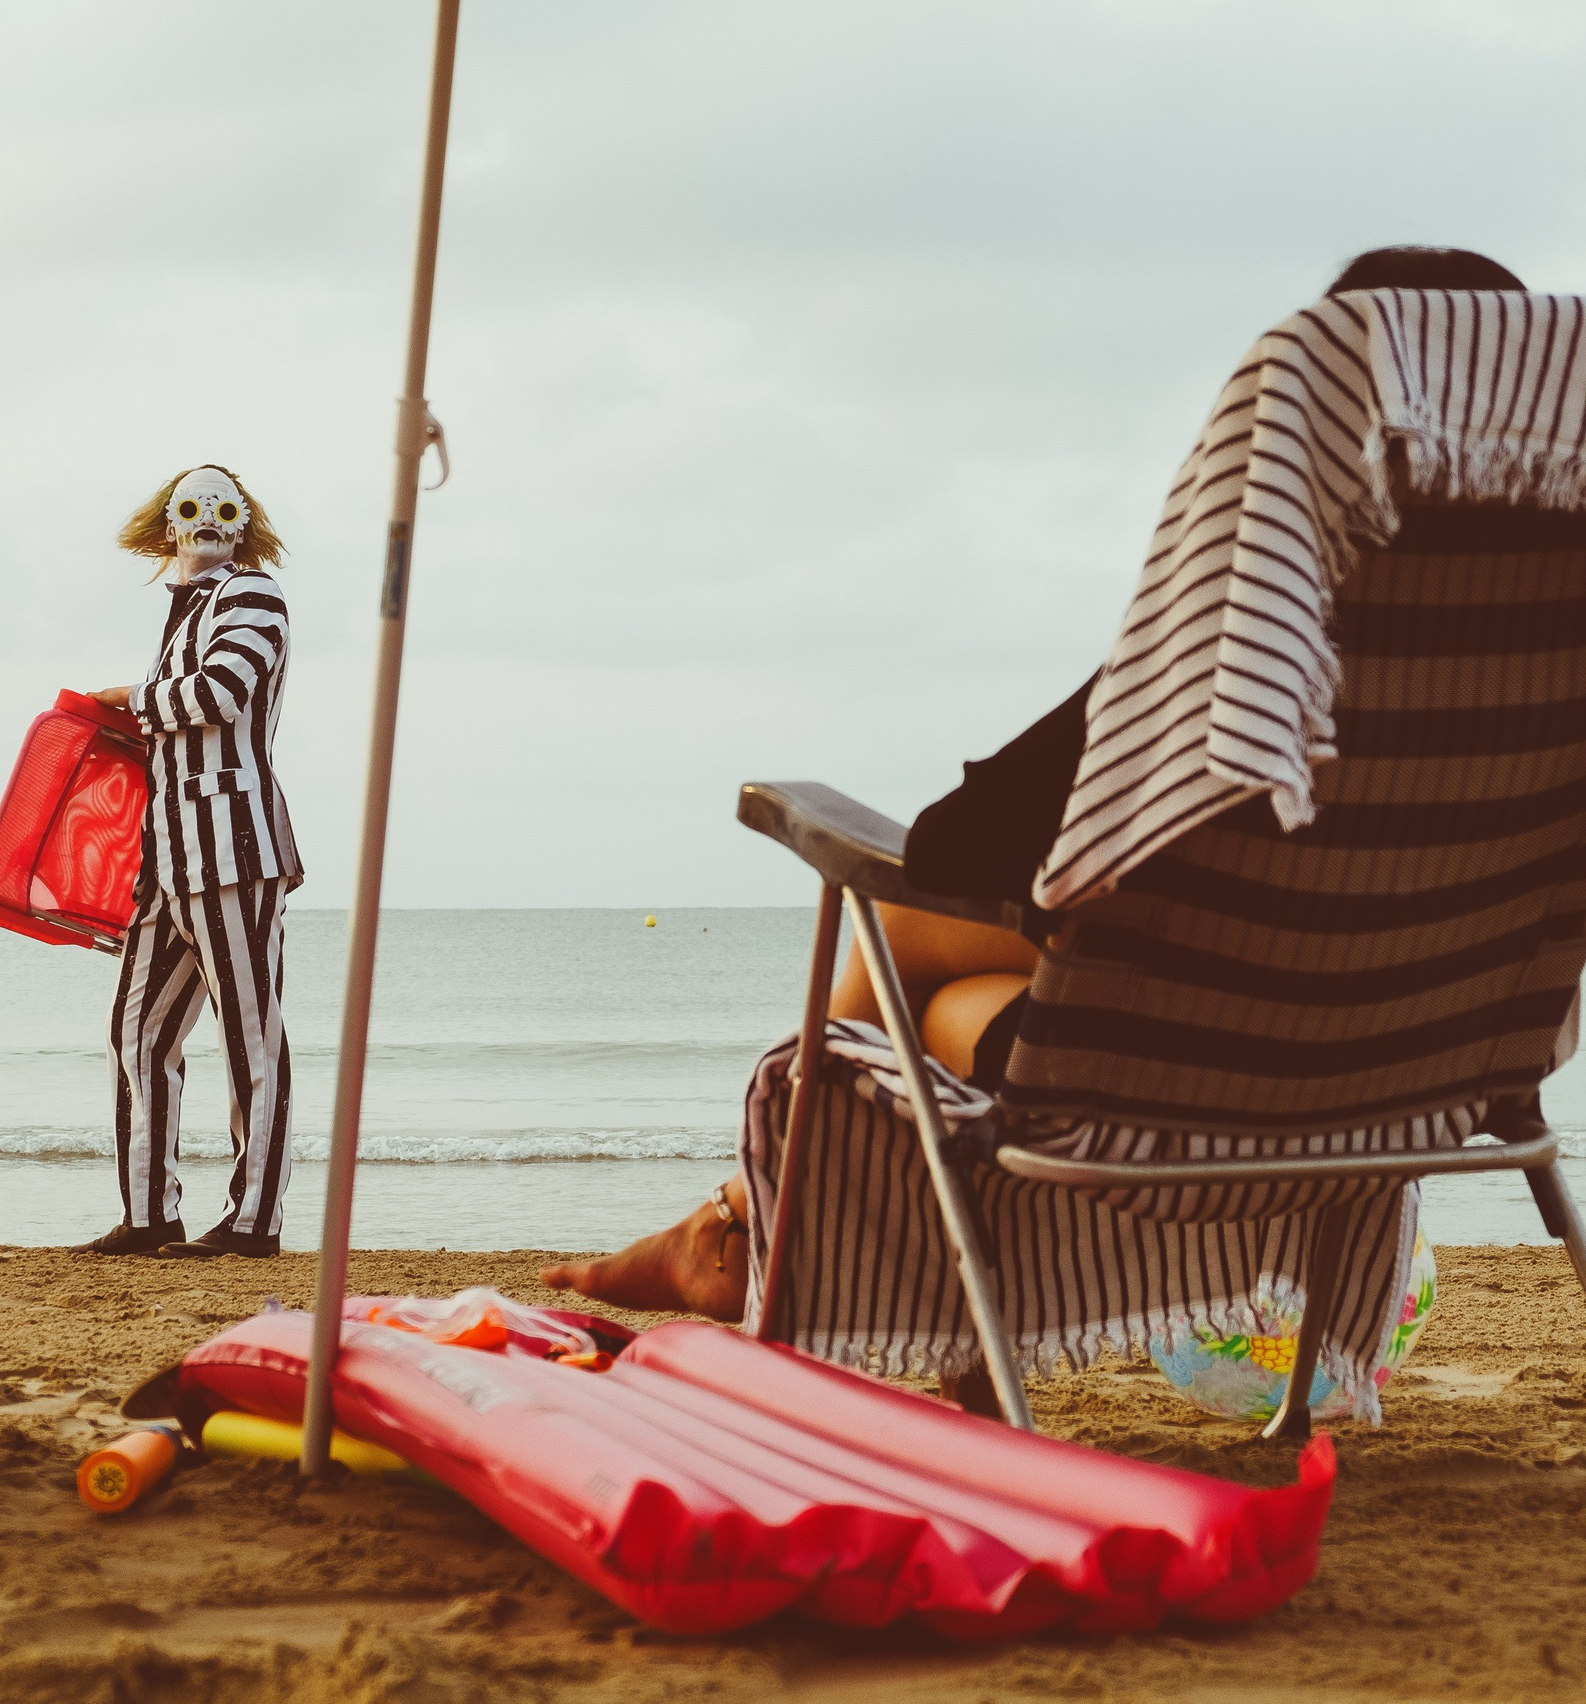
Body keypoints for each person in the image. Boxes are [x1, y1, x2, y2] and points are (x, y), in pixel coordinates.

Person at [542, 244, 1535, 1332]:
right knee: (957, 988)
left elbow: (960, 841)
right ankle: (743, 1244)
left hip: (1185, 1095)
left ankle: (743, 1235)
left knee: (909, 939)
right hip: (1421, 1081)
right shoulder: (1547, 674)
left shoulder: (1253, 627)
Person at [73, 465, 305, 1260]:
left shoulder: (254, 594)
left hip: (235, 850)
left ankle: (253, 1223)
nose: (207, 520)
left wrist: (133, 696)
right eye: (190, 509)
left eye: (222, 508)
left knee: (250, 1037)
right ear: (169, 525)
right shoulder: (184, 611)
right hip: (166, 859)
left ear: (242, 522)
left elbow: (222, 691)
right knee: (136, 1034)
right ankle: (148, 1213)